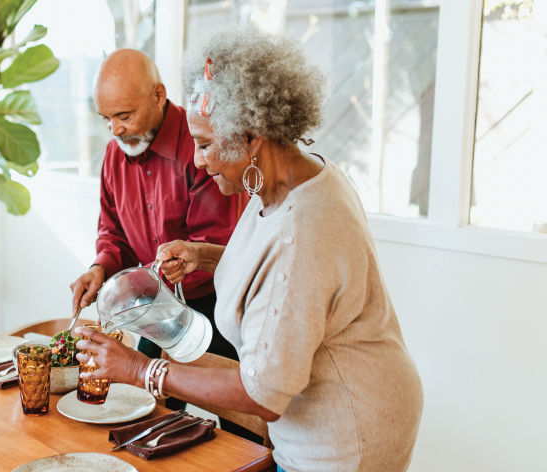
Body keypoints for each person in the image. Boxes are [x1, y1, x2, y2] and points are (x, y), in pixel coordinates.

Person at [73, 24, 423, 472]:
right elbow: (274, 263)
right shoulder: (289, 178)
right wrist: (203, 255)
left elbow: (264, 394)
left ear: (253, 137)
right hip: (321, 412)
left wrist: (142, 371)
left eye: (205, 145)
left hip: (345, 434)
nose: (197, 159)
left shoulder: (305, 226)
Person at [68, 49, 255, 439]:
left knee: (243, 430)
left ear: (158, 95)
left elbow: (219, 241)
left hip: (215, 308)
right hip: (152, 311)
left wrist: (186, 259)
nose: (116, 131)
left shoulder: (203, 146)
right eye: (107, 120)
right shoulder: (113, 156)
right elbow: (113, 231)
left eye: (124, 116)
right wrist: (99, 268)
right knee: (144, 420)